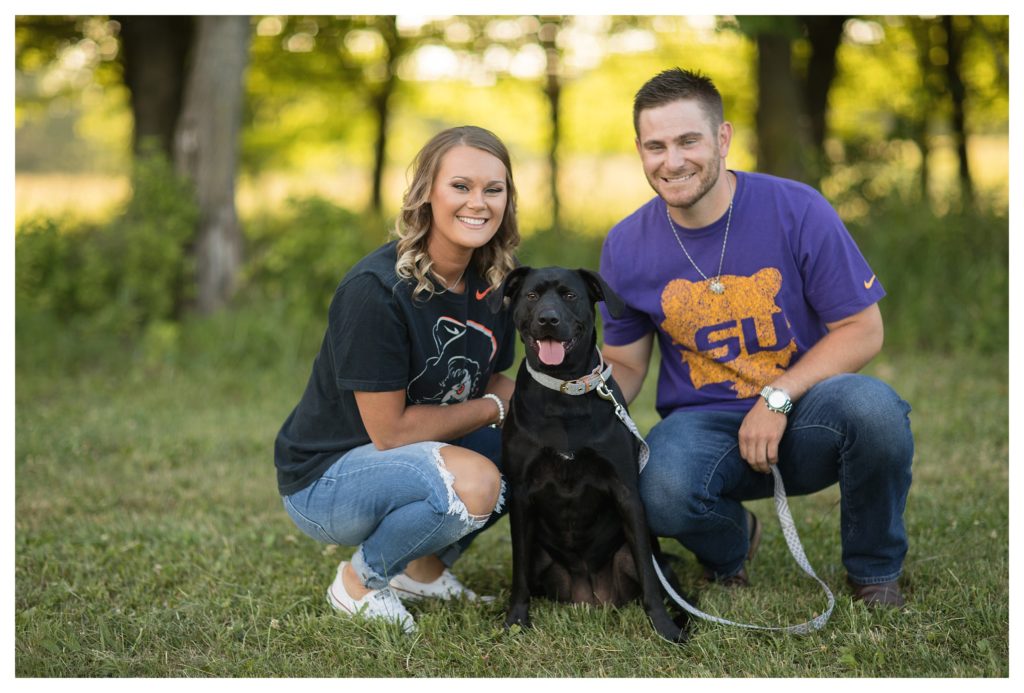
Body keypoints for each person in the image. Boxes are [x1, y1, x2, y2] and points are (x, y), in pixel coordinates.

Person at [598, 68, 914, 608]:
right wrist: (575, 409)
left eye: (687, 140)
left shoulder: (797, 208)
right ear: (639, 150)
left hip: (807, 412)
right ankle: (731, 546)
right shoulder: (626, 245)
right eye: (656, 146)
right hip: (704, 425)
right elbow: (625, 365)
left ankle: (875, 570)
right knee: (662, 488)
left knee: (875, 409)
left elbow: (863, 329)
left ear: (722, 138)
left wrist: (778, 396)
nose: (671, 161)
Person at [275, 125, 519, 632]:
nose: (478, 202)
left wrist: (550, 407)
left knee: (532, 445)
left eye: (493, 190)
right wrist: (498, 410)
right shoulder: (377, 289)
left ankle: (422, 573)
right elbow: (391, 433)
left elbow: (489, 379)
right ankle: (360, 582)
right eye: (461, 186)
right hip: (329, 478)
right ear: (426, 192)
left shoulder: (494, 285)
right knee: (476, 481)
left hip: (404, 459)